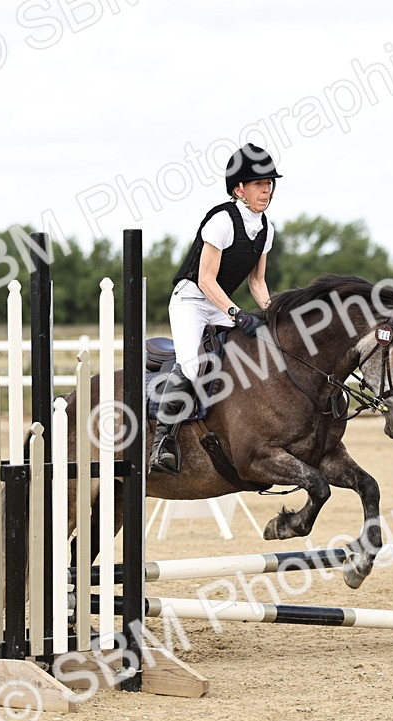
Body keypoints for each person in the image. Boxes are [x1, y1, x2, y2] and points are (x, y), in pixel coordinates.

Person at [149, 143, 282, 474]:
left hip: (220, 304)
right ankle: (161, 444)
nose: (266, 189)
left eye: (269, 183)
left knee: (250, 353)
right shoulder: (222, 220)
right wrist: (237, 314)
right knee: (193, 367)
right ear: (239, 188)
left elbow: (257, 282)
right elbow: (207, 280)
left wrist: (272, 316)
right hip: (192, 301)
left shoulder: (267, 228)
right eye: (258, 183)